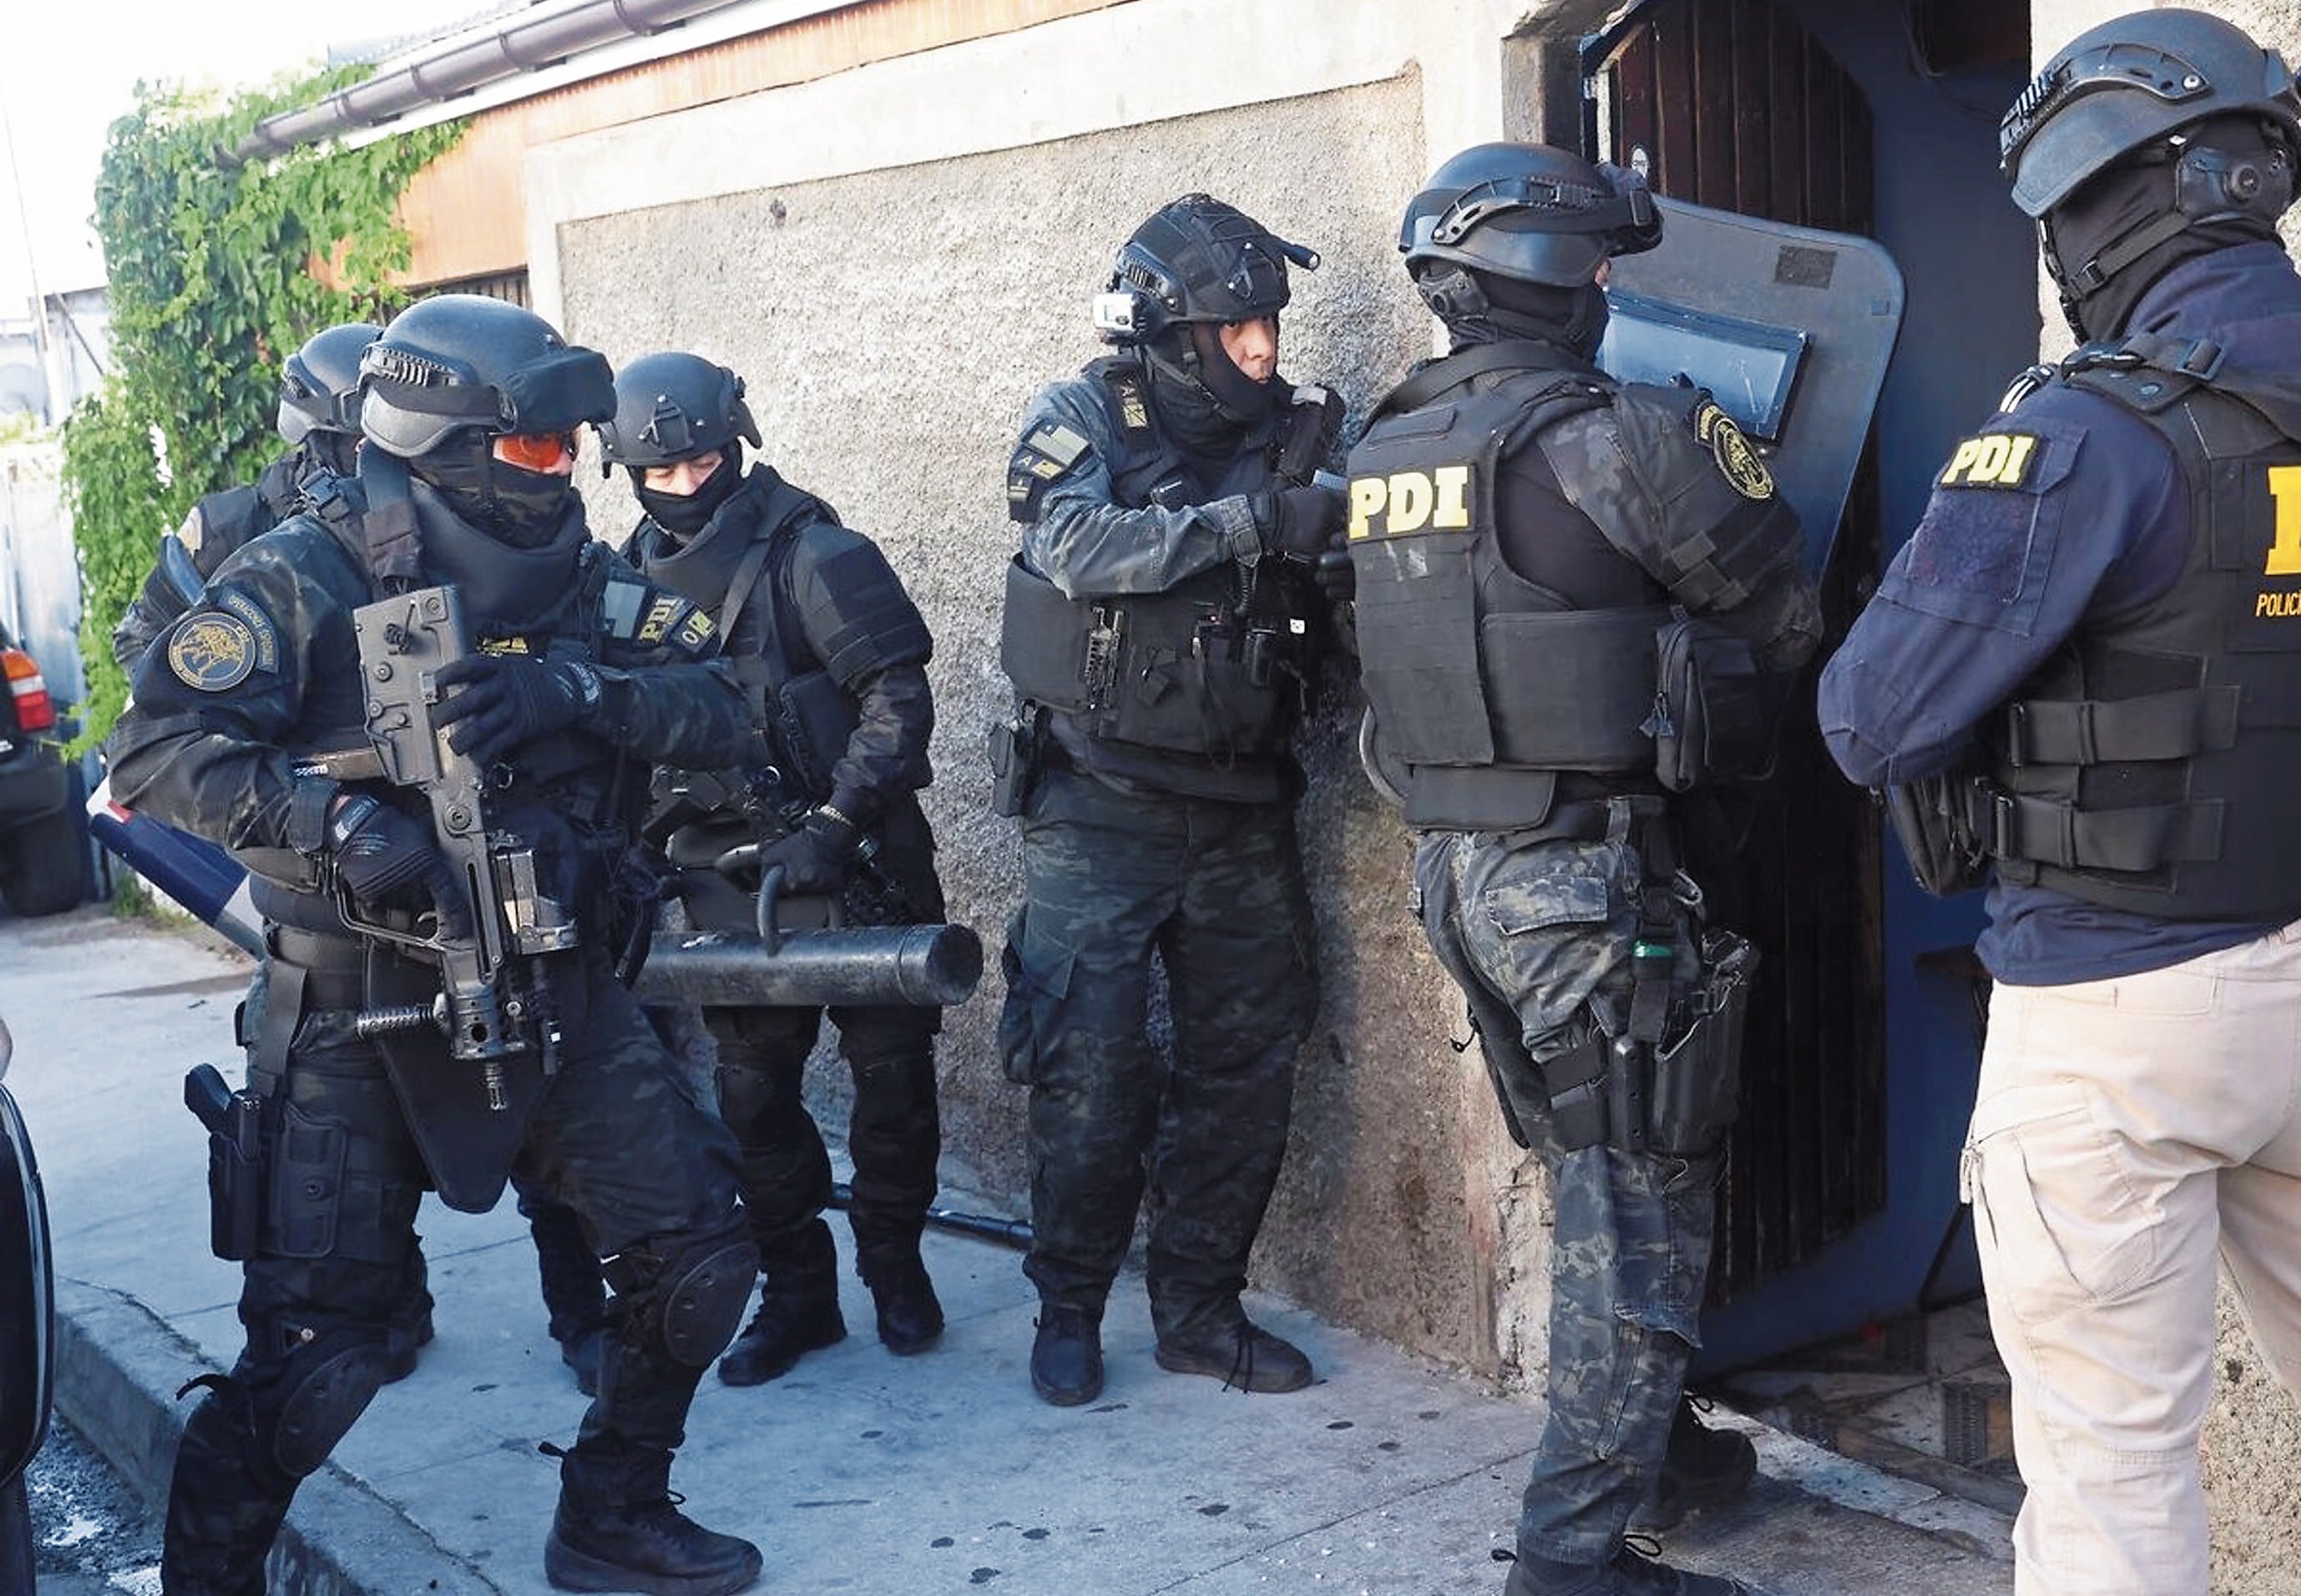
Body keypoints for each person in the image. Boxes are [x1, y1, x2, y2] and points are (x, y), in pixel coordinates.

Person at [107, 294, 765, 1596]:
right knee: (317, 1361)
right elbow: (155, 747)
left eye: (570, 446)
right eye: (533, 449)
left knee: (697, 1261)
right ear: (445, 438)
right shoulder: (316, 564)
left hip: (557, 976)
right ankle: (211, 1579)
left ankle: (611, 1511)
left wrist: (574, 690)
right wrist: (337, 823)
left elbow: (719, 705)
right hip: (356, 1002)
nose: (562, 470)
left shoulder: (582, 571)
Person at [1818, 12, 2301, 1593]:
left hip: (2114, 1010)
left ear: (2110, 203)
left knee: (2108, 1488)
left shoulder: (2080, 429)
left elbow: (1869, 718)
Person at [1347, 144, 1823, 1596]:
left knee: (1592, 1171)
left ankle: (1660, 1449)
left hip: (1458, 871)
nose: (1613, 292)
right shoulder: (1613, 435)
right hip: (1581, 882)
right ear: (1561, 281)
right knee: (1639, 1198)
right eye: (1603, 270)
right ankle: (1572, 1561)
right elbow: (1784, 603)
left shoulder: (1384, 446)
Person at [107, 321, 616, 1399]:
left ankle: (584, 1312)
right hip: (323, 871)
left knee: (541, 1112)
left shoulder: (468, 523)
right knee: (337, 1182)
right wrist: (309, 799)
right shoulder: (251, 533)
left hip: (481, 868)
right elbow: (156, 691)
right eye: (349, 447)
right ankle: (388, 1306)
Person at [994, 192, 1348, 1407]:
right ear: (1173, 333)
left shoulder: (1300, 436)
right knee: (1089, 1072)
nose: (1263, 350)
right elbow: (1076, 547)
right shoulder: (1083, 414)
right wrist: (1255, 524)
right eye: (1237, 329)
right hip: (1100, 803)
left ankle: (1200, 1310)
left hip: (1246, 804)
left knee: (1245, 1070)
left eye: (1270, 326)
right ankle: (1069, 1309)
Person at [597, 350, 948, 1385]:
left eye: (703, 458)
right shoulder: (620, 586)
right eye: (660, 472)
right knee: (753, 1103)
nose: (686, 484)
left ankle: (894, 1268)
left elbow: (898, 702)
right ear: (627, 472)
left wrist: (834, 823)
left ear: (735, 443)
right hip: (722, 871)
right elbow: (623, 732)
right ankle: (799, 1295)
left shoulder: (812, 552)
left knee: (891, 1087)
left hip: (856, 855)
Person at [110, 321, 377, 671]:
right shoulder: (232, 525)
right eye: (363, 441)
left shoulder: (421, 515)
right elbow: (140, 638)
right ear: (319, 438)